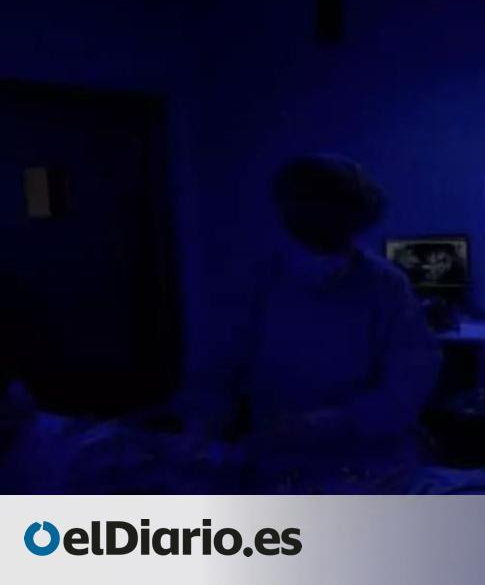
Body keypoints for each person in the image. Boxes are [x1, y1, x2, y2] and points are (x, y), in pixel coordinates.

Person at [183, 154, 441, 490]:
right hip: (275, 461)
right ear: (289, 217)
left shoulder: (386, 286)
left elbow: (408, 384)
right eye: (309, 222)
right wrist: (204, 432)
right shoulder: (258, 282)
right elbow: (217, 370)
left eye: (332, 225)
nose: (321, 239)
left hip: (370, 461)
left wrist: (334, 422)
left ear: (353, 220)